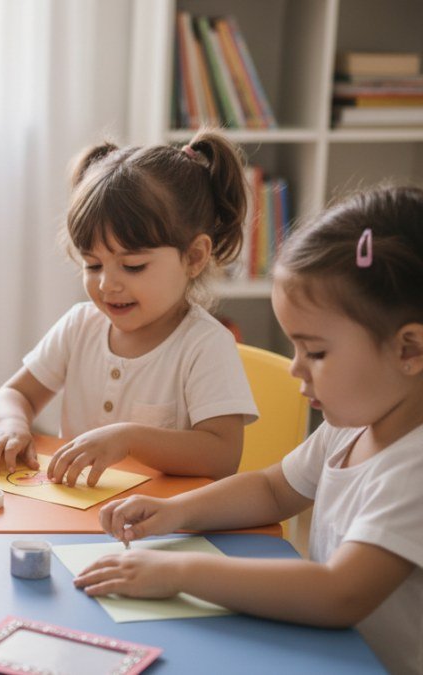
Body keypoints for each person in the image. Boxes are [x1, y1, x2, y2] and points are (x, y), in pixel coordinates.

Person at [77, 186, 423, 674]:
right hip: (319, 653)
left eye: (316, 352)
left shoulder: (414, 467)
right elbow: (273, 488)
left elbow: (339, 593)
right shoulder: (351, 428)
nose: (294, 369)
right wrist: (174, 512)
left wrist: (177, 571)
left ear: (409, 350)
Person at [0, 129, 258, 485]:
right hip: (76, 516)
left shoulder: (205, 345)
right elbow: (13, 393)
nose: (107, 284)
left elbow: (222, 456)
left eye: (133, 266)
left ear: (195, 257)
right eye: (93, 265)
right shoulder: (80, 326)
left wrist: (130, 439)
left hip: (164, 526)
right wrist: (10, 423)